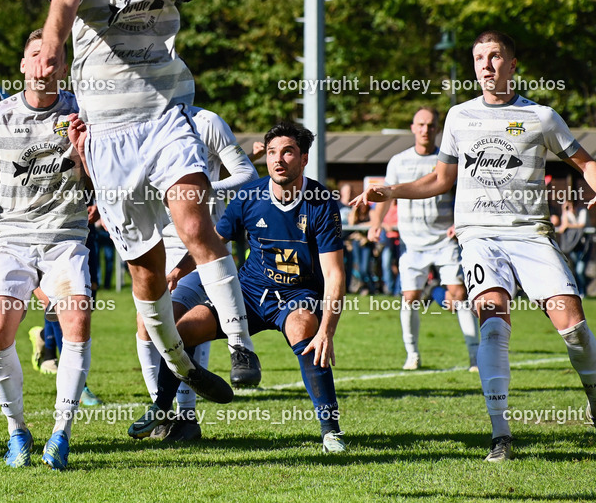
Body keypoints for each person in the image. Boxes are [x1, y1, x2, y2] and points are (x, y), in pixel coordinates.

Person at [29, 0, 253, 398]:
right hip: (107, 140)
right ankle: (179, 367)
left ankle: (241, 343)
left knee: (196, 223)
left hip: (165, 120)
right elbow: (61, 9)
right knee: (147, 274)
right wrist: (53, 48)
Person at [353, 31, 596, 463]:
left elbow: (585, 163)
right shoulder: (459, 117)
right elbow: (440, 180)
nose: (486, 65)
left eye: (495, 56)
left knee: (573, 325)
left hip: (531, 234)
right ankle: (500, 435)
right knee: (494, 322)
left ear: (512, 64)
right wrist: (390, 191)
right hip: (478, 235)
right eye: (479, 57)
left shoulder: (541, 116)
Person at [132, 122, 348, 452]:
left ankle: (330, 431)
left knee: (307, 332)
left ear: (303, 158)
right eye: (273, 152)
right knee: (180, 333)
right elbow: (212, 244)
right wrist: (178, 270)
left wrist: (327, 331)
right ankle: (162, 408)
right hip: (246, 293)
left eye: (288, 152)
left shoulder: (321, 202)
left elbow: (334, 274)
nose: (278, 159)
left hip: (296, 296)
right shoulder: (248, 196)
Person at [0, 29, 92, 469]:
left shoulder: (84, 113)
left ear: (63, 68)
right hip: (11, 240)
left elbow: (104, 183)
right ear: (23, 65)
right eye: (36, 57)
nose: (44, 67)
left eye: (53, 60)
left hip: (66, 237)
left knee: (78, 319)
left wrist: (85, 152)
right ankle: (17, 432)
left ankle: (61, 435)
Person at [135, 107, 258, 441]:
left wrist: (196, 190)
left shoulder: (208, 122)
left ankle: (186, 417)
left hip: (203, 237)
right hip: (151, 238)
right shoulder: (137, 121)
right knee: (148, 328)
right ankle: (162, 412)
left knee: (184, 325)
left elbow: (247, 175)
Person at [368, 107, 480, 371]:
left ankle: (475, 356)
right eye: (420, 124)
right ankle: (413, 354)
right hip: (412, 242)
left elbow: (468, 193)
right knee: (410, 297)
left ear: (437, 129)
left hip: (444, 239)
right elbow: (387, 194)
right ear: (412, 127)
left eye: (430, 125)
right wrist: (376, 224)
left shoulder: (450, 159)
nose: (425, 130)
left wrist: (458, 222)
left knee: (459, 293)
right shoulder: (398, 161)